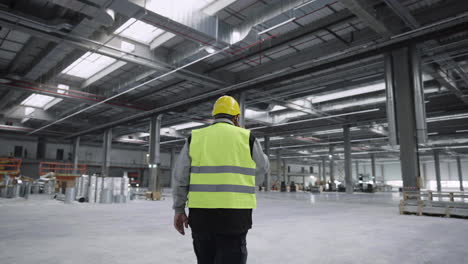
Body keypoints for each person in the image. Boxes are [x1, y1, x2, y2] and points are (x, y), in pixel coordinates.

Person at [172, 95, 270, 264]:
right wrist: (246, 183)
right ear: (236, 117)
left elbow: (180, 176)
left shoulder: (195, 138)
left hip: (201, 215)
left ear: (214, 116)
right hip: (235, 215)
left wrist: (179, 209)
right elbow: (262, 167)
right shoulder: (247, 137)